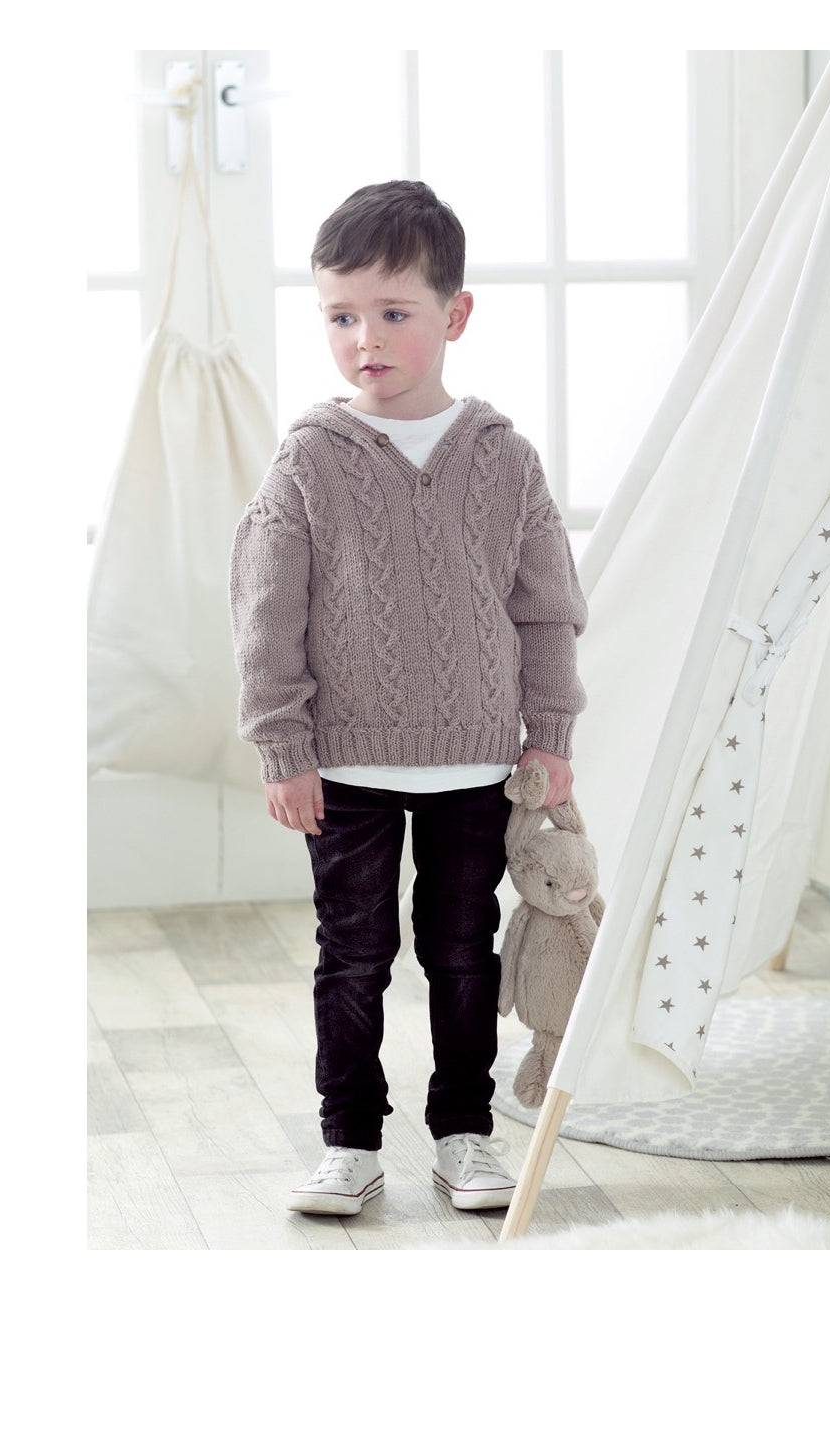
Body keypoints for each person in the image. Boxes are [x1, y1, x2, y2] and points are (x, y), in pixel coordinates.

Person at [229, 180, 588, 1218]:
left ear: (455, 314)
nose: (365, 339)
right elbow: (265, 614)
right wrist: (283, 747)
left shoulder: (503, 459)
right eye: (341, 316)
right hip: (343, 768)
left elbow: (546, 609)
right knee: (352, 956)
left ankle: (465, 1134)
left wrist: (550, 734)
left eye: (393, 312)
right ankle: (348, 1142)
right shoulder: (309, 459)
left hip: (477, 765)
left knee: (463, 953)